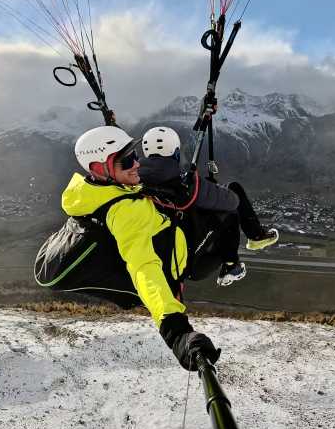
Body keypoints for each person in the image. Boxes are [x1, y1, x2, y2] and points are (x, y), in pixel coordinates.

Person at [61, 125, 220, 371]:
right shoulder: (124, 212)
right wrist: (176, 331)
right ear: (97, 168)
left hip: (168, 236)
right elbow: (144, 266)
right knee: (224, 215)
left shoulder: (98, 190)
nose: (137, 164)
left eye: (135, 155)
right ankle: (232, 264)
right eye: (126, 161)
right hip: (178, 263)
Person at [138, 126, 278, 286]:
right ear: (176, 153)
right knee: (231, 202)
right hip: (191, 264)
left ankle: (250, 243)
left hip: (156, 262)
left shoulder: (133, 183)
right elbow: (232, 200)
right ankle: (235, 262)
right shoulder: (187, 185)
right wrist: (209, 187)